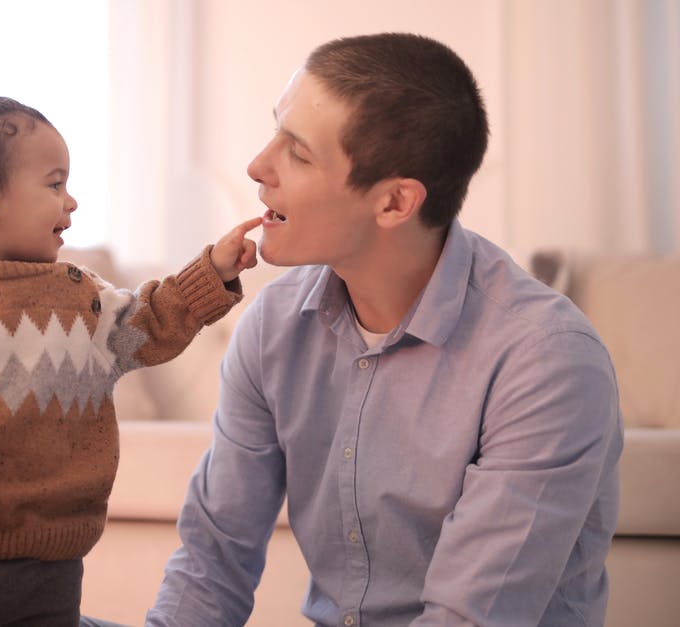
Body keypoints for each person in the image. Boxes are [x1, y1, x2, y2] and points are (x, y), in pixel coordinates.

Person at [146, 33, 622, 626]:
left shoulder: (546, 362)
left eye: (297, 153)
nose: (257, 167)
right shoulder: (272, 327)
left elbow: (468, 618)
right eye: (276, 133)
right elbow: (211, 567)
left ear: (395, 203)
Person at [0, 74, 261, 626]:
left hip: (52, 565)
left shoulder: (80, 296)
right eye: (54, 184)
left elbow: (150, 321)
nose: (71, 200)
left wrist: (210, 272)